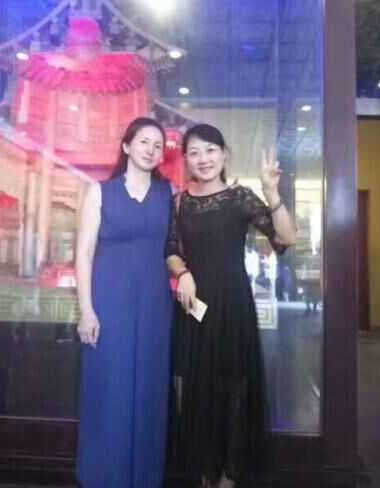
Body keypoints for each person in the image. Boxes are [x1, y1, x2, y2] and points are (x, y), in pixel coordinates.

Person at [165, 124, 296, 487]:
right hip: (192, 306)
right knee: (194, 390)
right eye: (194, 152)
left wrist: (271, 192)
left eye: (210, 150)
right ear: (185, 158)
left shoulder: (240, 198)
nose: (203, 159)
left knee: (233, 389)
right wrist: (183, 273)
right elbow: (170, 250)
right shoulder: (178, 202)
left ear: (223, 154)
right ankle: (203, 470)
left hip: (233, 305)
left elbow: (285, 238)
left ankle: (229, 474)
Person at [75, 117, 173, 487]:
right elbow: (83, 254)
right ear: (127, 146)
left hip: (155, 309)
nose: (151, 149)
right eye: (144, 141)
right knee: (109, 389)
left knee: (149, 391)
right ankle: (103, 476)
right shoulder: (100, 192)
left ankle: (144, 478)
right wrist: (87, 310)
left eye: (157, 145)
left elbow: (177, 249)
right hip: (108, 305)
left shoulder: (168, 195)